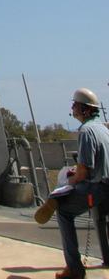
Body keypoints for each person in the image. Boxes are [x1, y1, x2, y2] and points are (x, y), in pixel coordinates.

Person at [38, 87, 109, 279]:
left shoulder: (86, 132)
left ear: (85, 109)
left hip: (96, 187)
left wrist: (70, 178)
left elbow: (84, 170)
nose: (72, 107)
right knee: (101, 218)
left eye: (75, 105)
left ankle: (75, 269)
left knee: (64, 212)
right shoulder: (103, 129)